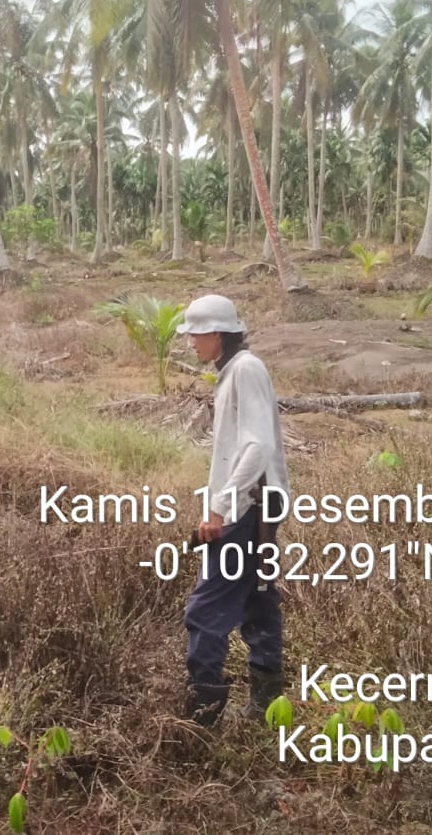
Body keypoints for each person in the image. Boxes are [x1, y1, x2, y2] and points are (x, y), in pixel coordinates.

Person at [176, 294, 290, 726]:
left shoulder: (245, 370)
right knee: (258, 602)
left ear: (218, 332)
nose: (191, 343)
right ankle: (265, 707)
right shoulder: (235, 372)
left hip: (249, 506)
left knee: (205, 611)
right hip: (252, 504)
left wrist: (220, 509)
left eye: (196, 334)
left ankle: (202, 715)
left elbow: (256, 447)